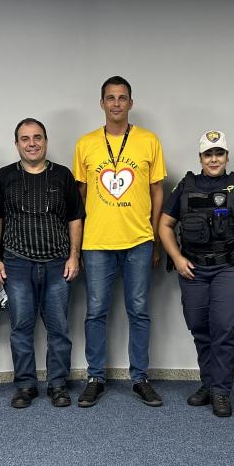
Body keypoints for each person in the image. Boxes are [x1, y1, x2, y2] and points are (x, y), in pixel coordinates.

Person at [72, 75, 167, 408]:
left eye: (122, 98)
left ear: (131, 103)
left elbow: (158, 191)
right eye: (110, 98)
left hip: (138, 240)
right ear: (101, 104)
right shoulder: (85, 143)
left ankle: (139, 378)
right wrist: (77, 245)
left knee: (138, 311)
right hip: (97, 242)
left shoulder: (148, 140)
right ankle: (95, 377)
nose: (116, 104)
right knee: (96, 311)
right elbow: (79, 196)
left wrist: (155, 238)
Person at [158, 131, 234, 417]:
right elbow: (165, 225)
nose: (214, 159)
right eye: (208, 154)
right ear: (200, 158)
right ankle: (208, 384)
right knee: (200, 328)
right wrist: (177, 258)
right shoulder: (185, 187)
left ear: (227, 157)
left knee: (225, 328)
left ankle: (221, 391)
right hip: (194, 270)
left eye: (219, 153)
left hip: (230, 268)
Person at [0, 118, 84, 409]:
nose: (32, 143)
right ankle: (26, 385)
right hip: (17, 264)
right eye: (25, 138)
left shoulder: (63, 176)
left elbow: (75, 218)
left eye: (37, 137)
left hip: (57, 264)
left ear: (45, 141)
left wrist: (74, 256)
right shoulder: (4, 176)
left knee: (58, 329)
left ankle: (58, 385)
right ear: (16, 143)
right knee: (21, 328)